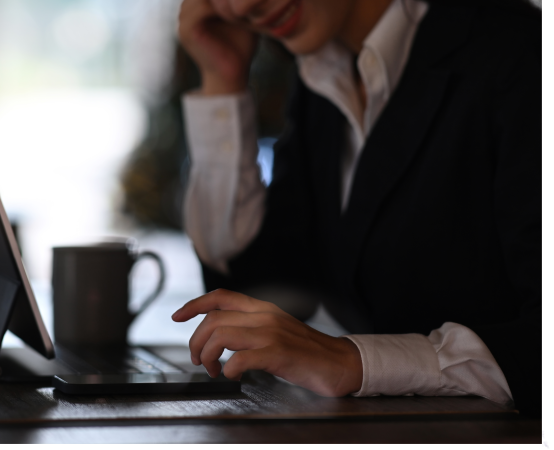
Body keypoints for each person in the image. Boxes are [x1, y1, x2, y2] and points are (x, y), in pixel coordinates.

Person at [172, 0, 541, 417]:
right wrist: (222, 79)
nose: (242, 6)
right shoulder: (325, 75)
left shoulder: (525, 55)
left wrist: (355, 361)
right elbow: (262, 298)